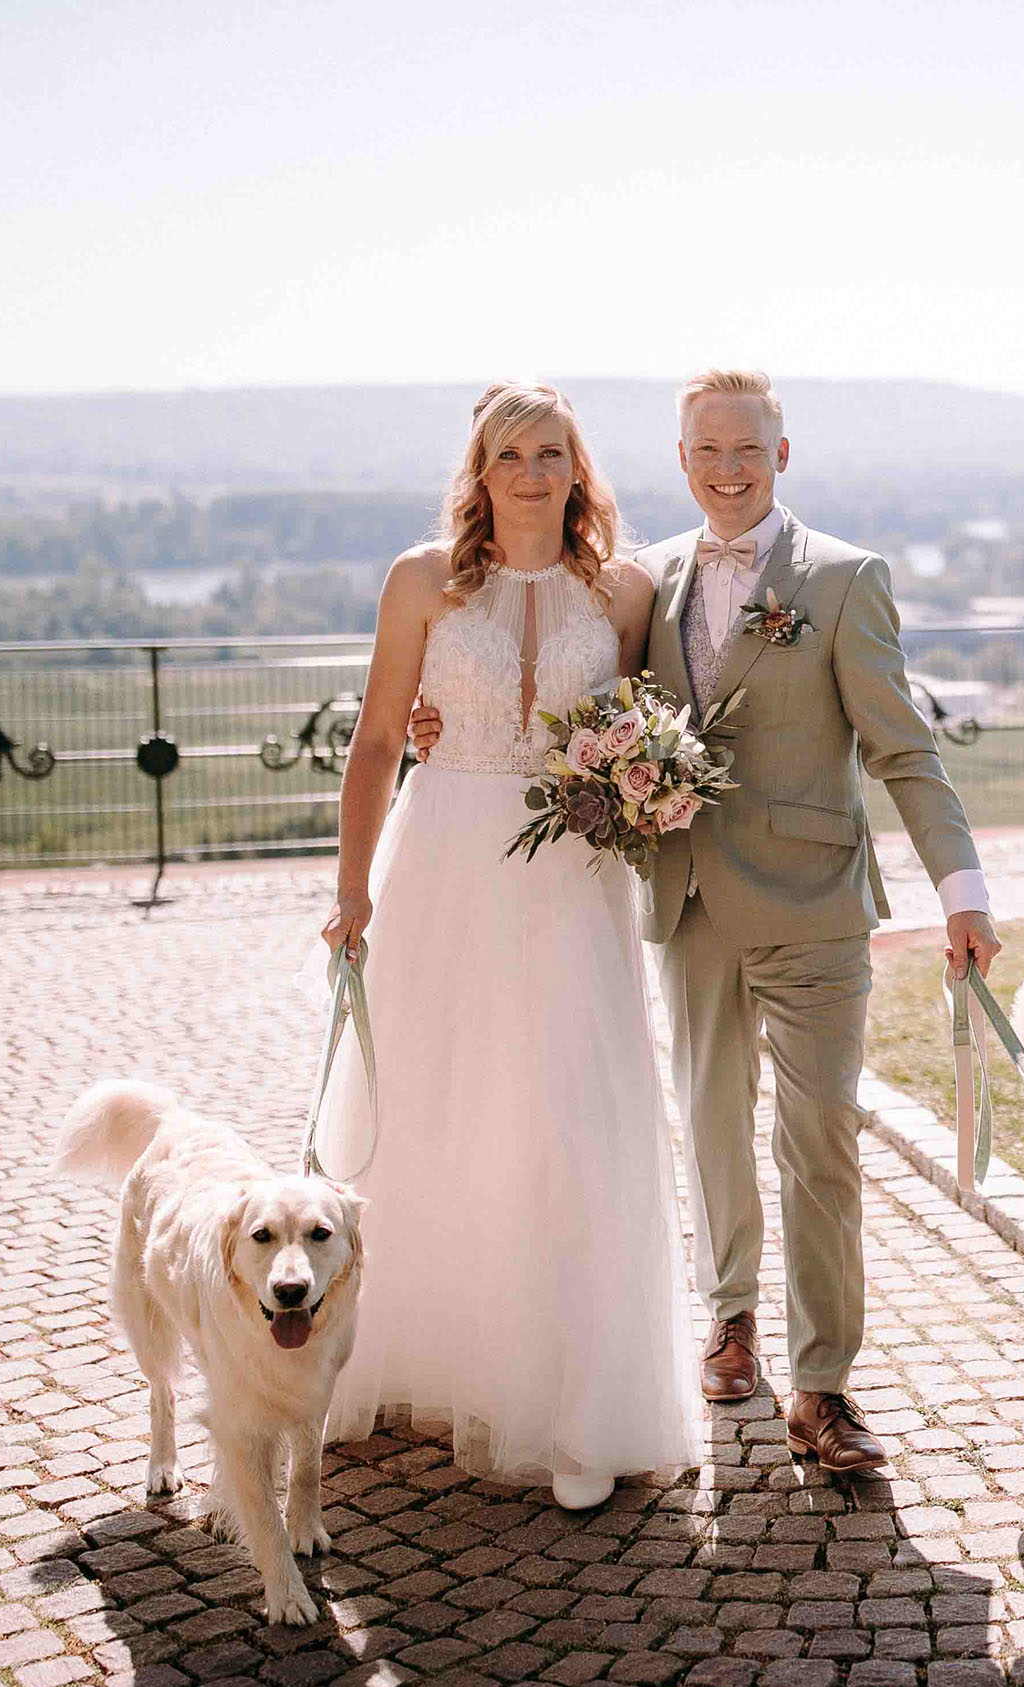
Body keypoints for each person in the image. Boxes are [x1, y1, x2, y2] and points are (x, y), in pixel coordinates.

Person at [414, 368, 1000, 1475]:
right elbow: (578, 703)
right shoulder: (645, 583)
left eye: (747, 447)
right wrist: (435, 713)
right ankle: (729, 1319)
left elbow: (903, 748)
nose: (726, 467)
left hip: (816, 905)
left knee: (819, 1136)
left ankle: (823, 1385)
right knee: (712, 1124)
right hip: (686, 902)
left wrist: (960, 893)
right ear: (681, 461)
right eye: (705, 449)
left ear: (782, 455)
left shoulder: (844, 579)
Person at [314, 380, 701, 1511]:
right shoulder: (420, 579)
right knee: (438, 1108)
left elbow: (635, 730)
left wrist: (645, 783)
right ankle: (428, 1359)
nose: (531, 472)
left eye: (551, 452)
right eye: (509, 453)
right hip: (440, 860)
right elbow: (381, 738)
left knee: (572, 1120)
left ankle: (580, 1402)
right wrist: (351, 891)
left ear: (580, 470)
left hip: (569, 883)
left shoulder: (623, 592)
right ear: (478, 471)